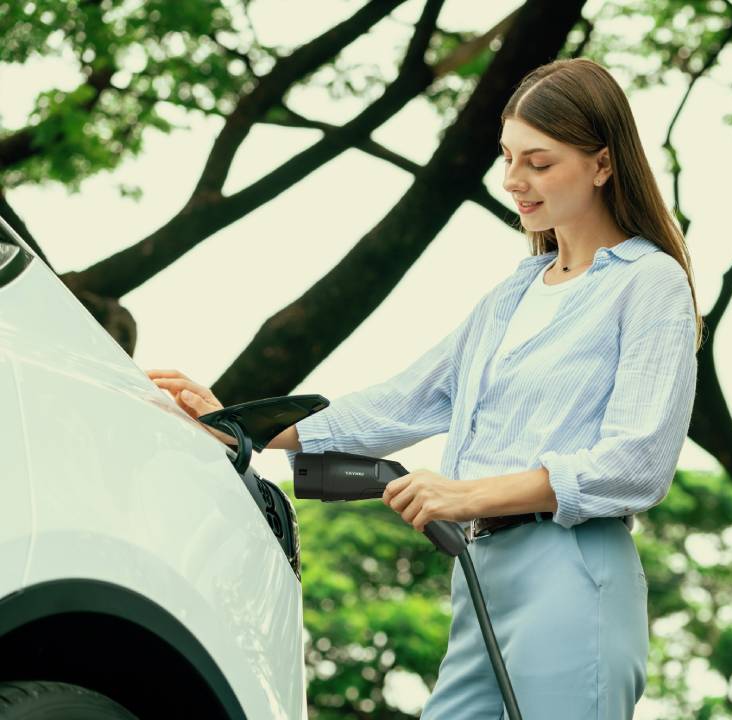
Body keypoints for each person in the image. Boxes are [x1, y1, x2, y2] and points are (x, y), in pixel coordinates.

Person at [147, 57, 702, 720]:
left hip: (571, 571)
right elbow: (403, 401)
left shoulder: (647, 283)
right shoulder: (513, 293)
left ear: (602, 164)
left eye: (539, 162)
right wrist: (244, 424)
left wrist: (467, 492)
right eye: (507, 158)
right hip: (480, 573)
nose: (513, 181)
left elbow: (634, 462)